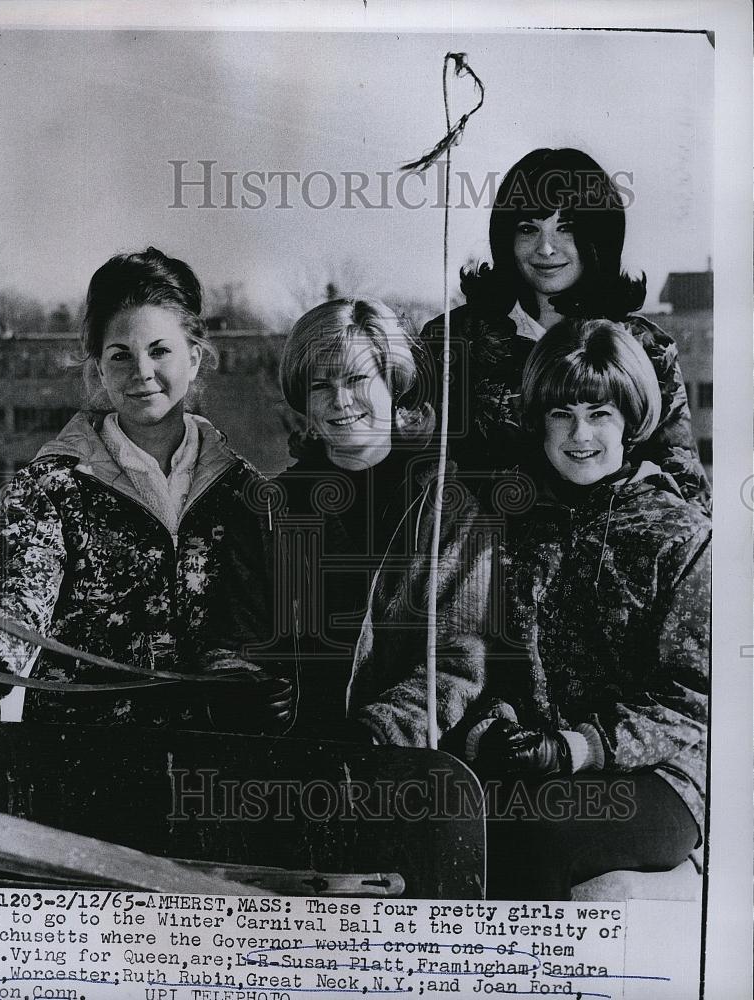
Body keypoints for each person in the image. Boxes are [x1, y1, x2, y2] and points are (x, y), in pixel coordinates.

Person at [0, 247, 290, 732]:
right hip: (82, 748)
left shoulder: (242, 489)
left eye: (159, 350)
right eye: (120, 355)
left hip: (210, 748)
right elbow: (19, 586)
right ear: (99, 368)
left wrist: (268, 683)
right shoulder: (58, 484)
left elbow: (267, 612)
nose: (141, 372)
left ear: (195, 358)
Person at [440, 318, 710, 899]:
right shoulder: (507, 522)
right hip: (532, 763)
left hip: (655, 774)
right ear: (537, 421)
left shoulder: (680, 535)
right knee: (443, 820)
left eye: (600, 413)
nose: (579, 434)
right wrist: (489, 732)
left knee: (539, 829)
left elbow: (694, 695)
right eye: (562, 414)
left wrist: (577, 747)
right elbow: (474, 654)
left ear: (631, 421)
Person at [416, 146, 711, 513]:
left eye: (566, 228)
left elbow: (687, 489)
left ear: (598, 237)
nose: (545, 248)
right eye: (528, 228)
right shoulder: (453, 339)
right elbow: (417, 466)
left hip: (607, 555)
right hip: (483, 553)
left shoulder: (643, 348)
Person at [273, 298, 490, 743]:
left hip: (400, 765)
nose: (340, 400)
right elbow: (238, 634)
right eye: (320, 385)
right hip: (288, 759)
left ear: (395, 385)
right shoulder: (271, 507)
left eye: (357, 379)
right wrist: (242, 687)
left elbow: (459, 660)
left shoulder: (446, 508)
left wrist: (381, 731)